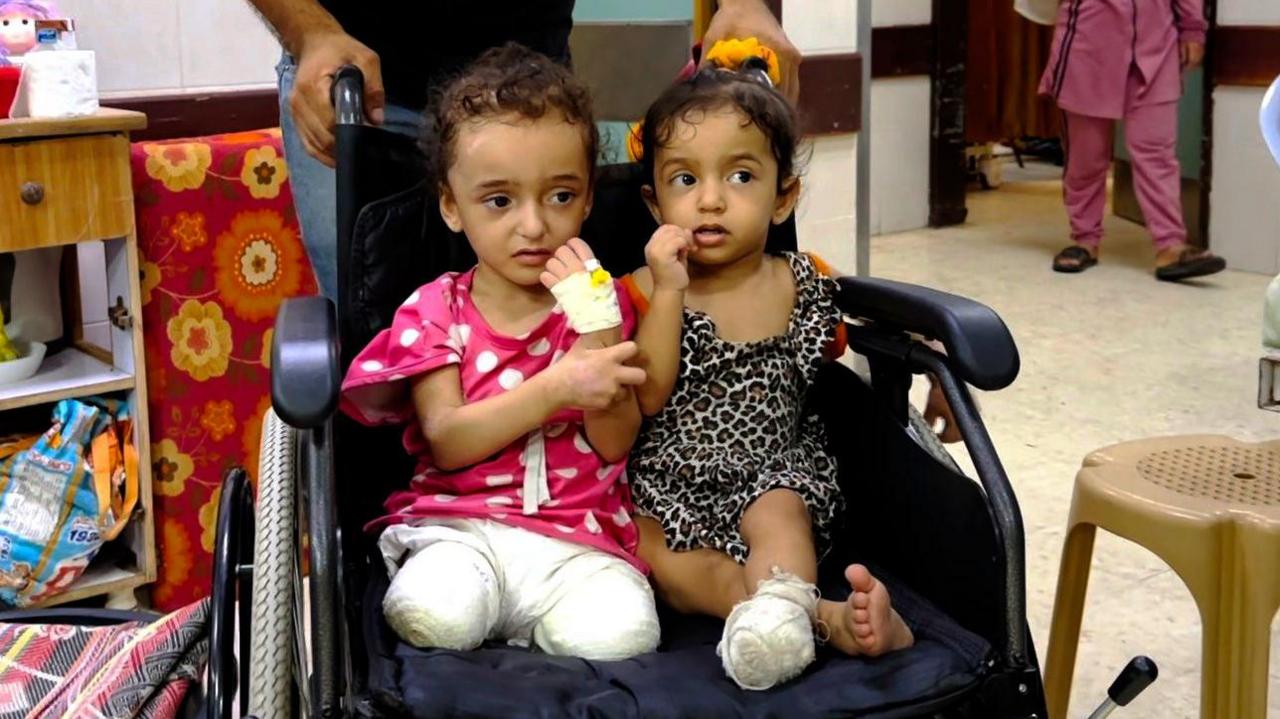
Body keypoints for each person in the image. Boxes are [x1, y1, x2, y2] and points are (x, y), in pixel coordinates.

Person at [337, 45, 661, 660]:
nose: (534, 226)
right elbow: (448, 440)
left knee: (622, 635)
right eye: (500, 201)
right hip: (463, 529)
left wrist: (595, 330)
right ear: (452, 206)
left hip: (577, 540)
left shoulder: (603, 301)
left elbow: (615, 443)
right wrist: (557, 388)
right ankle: (479, 608)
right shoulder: (437, 310)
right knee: (437, 611)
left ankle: (547, 624)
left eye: (561, 196)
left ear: (590, 197)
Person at [619, 67, 915, 691]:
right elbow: (647, 396)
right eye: (684, 179)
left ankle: (784, 607)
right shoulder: (639, 293)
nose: (711, 199)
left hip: (771, 470)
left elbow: (869, 328)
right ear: (654, 202)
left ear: (783, 197)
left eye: (741, 176)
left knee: (779, 514)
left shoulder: (801, 279)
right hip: (665, 486)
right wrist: (669, 292)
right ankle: (815, 622)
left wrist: (931, 359)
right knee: (652, 559)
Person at [247, 0, 801, 299]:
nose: (535, 225)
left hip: (531, 79)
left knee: (555, 289)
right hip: (361, 80)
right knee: (366, 323)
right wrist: (311, 32)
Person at [1042, 0, 1224, 281]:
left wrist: (1193, 29)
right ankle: (1085, 240)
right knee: (1086, 155)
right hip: (1088, 42)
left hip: (1156, 45)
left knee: (1157, 151)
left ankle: (1170, 246)